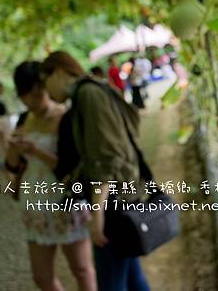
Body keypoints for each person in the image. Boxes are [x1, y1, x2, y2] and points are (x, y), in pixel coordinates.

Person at [39, 51, 151, 291]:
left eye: (45, 81)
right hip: (121, 195)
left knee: (112, 281)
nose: (45, 92)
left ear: (58, 72)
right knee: (131, 275)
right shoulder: (91, 90)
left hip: (113, 202)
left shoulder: (87, 94)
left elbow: (105, 157)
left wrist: (97, 214)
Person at [4, 61, 96, 291]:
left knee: (81, 269)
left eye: (37, 95)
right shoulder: (24, 119)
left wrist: (35, 151)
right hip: (34, 202)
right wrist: (14, 150)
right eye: (26, 96)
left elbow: (71, 167)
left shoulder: (65, 118)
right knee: (41, 276)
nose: (32, 102)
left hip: (64, 202)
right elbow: (12, 166)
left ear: (45, 87)